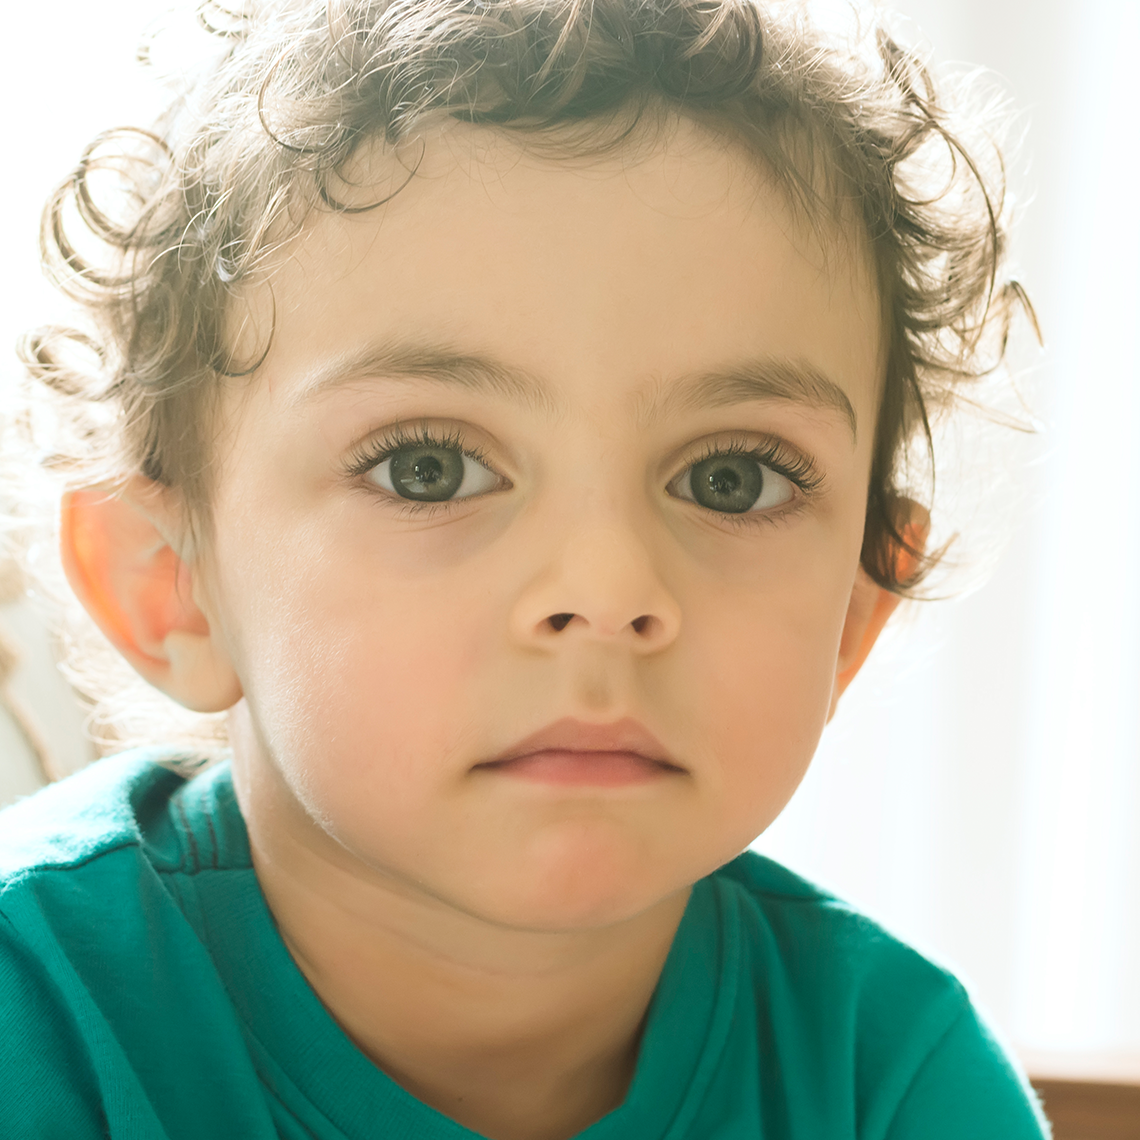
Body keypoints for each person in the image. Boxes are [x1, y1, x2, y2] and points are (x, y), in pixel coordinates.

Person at [0, 1, 1050, 1137]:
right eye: (429, 467)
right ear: (170, 584)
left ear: (852, 611)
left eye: (732, 479)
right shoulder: (37, 1019)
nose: (605, 593)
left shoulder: (887, 1081)